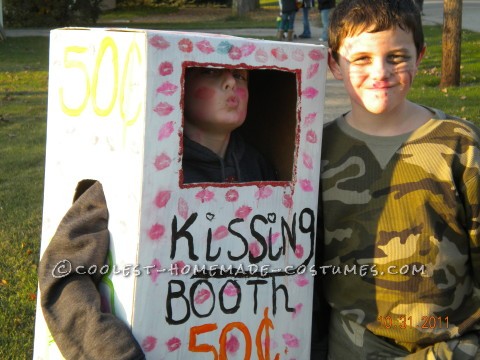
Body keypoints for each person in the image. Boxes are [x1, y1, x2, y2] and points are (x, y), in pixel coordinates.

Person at [38, 67, 276, 359]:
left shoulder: (260, 168)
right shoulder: (138, 168)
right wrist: (113, 351)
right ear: (180, 84)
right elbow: (63, 271)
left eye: (241, 77)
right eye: (213, 72)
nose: (231, 83)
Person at [314, 0, 480, 358]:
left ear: (420, 56)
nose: (380, 72)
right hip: (353, 340)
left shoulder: (460, 143)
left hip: (450, 339)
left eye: (397, 57)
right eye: (361, 59)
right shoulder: (315, 149)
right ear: (333, 64)